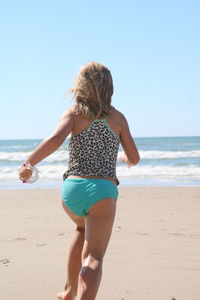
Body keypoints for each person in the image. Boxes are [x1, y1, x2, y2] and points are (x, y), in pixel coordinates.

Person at [19, 61, 140, 300]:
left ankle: (69, 291)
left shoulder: (74, 113)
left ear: (81, 86)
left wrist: (28, 164)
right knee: (94, 257)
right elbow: (135, 157)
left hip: (72, 190)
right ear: (110, 87)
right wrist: (125, 156)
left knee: (80, 228)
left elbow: (55, 139)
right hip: (102, 191)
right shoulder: (118, 118)